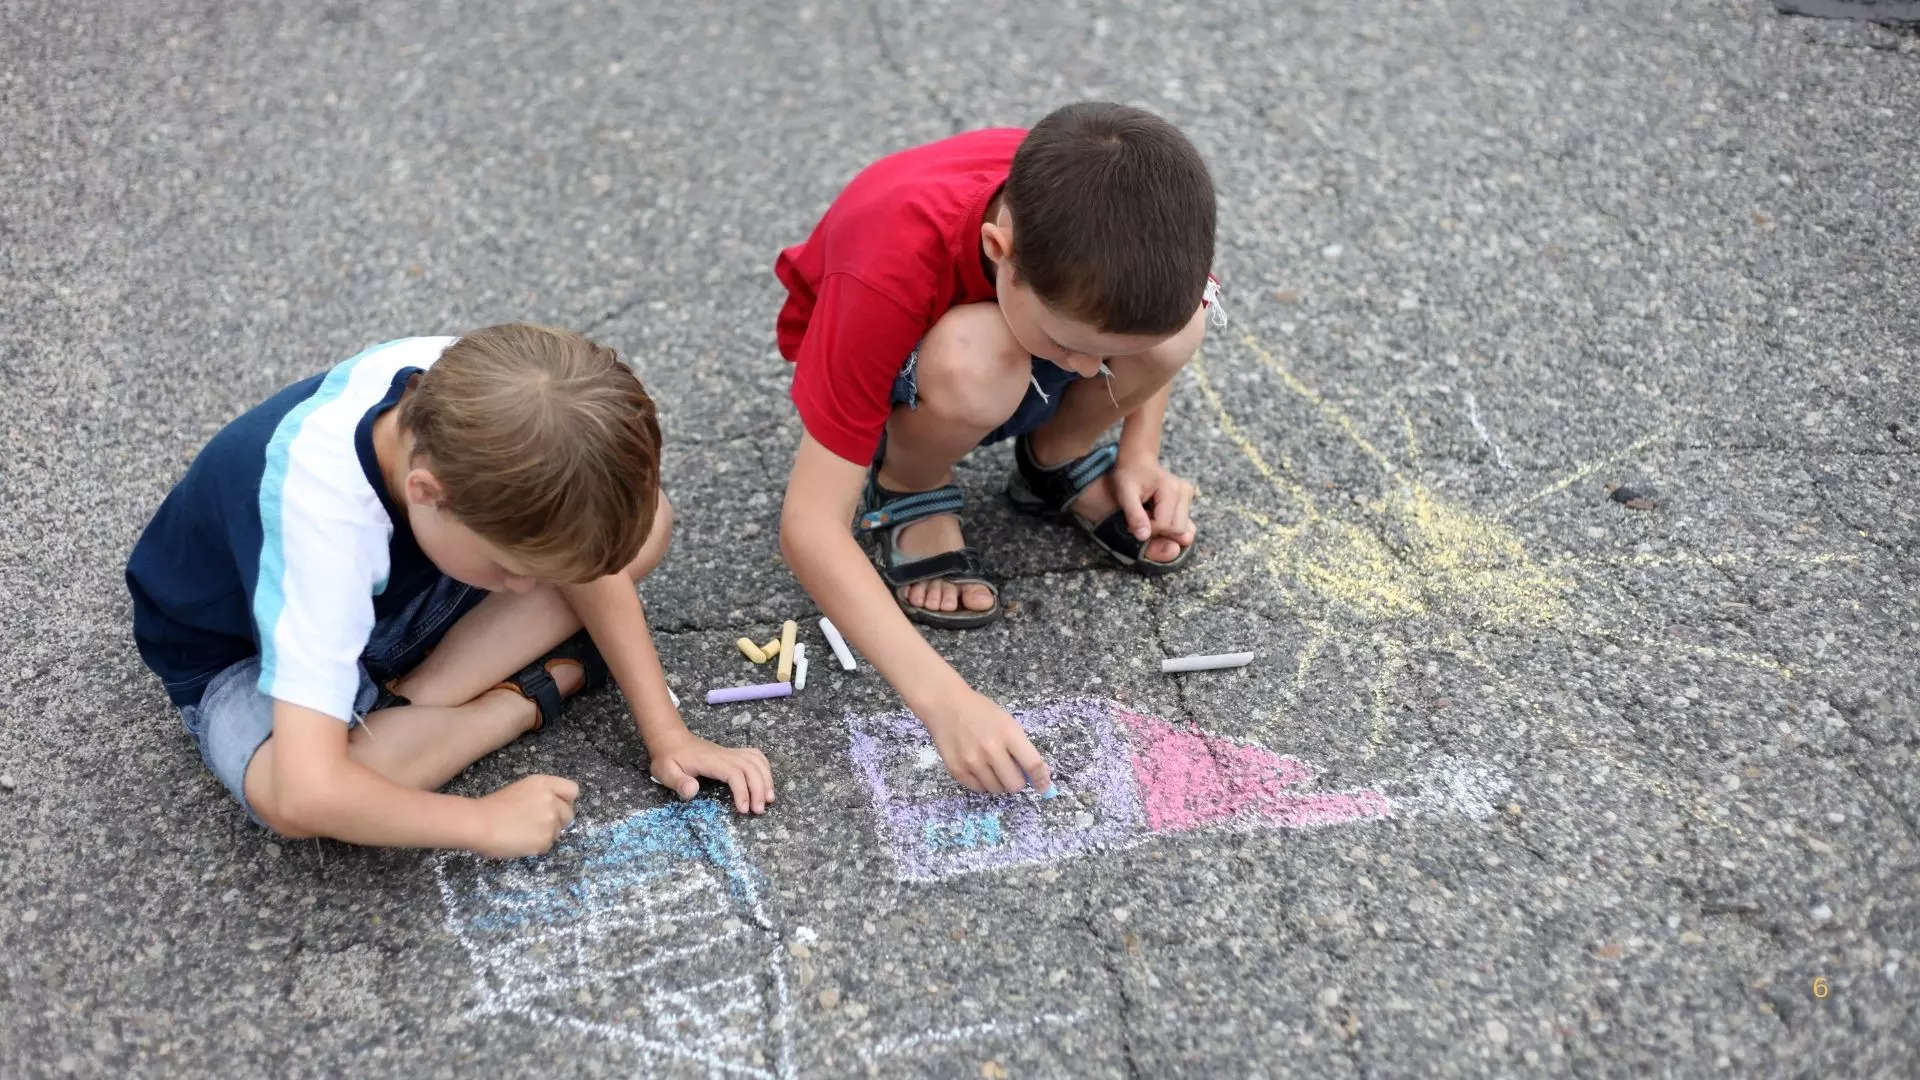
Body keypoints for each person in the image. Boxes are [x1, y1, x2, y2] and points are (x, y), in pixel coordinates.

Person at [127, 324, 774, 858]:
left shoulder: (474, 394)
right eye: (508, 569)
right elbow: (303, 793)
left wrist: (670, 737)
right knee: (298, 795)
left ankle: (411, 701)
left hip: (389, 593)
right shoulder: (323, 523)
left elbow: (585, 561)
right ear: (427, 493)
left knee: (640, 526)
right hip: (238, 652)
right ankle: (513, 702)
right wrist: (481, 823)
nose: (529, 587)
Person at [773, 102, 1220, 795]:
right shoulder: (885, 268)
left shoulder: (1140, 224)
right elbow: (808, 525)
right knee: (975, 360)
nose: (1082, 372)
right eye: (1070, 346)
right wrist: (945, 703)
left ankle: (1056, 460)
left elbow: (1140, 325)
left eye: (1103, 357)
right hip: (914, 349)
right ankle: (909, 482)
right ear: (997, 249)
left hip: (1012, 321)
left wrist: (1140, 452)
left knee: (1180, 328)